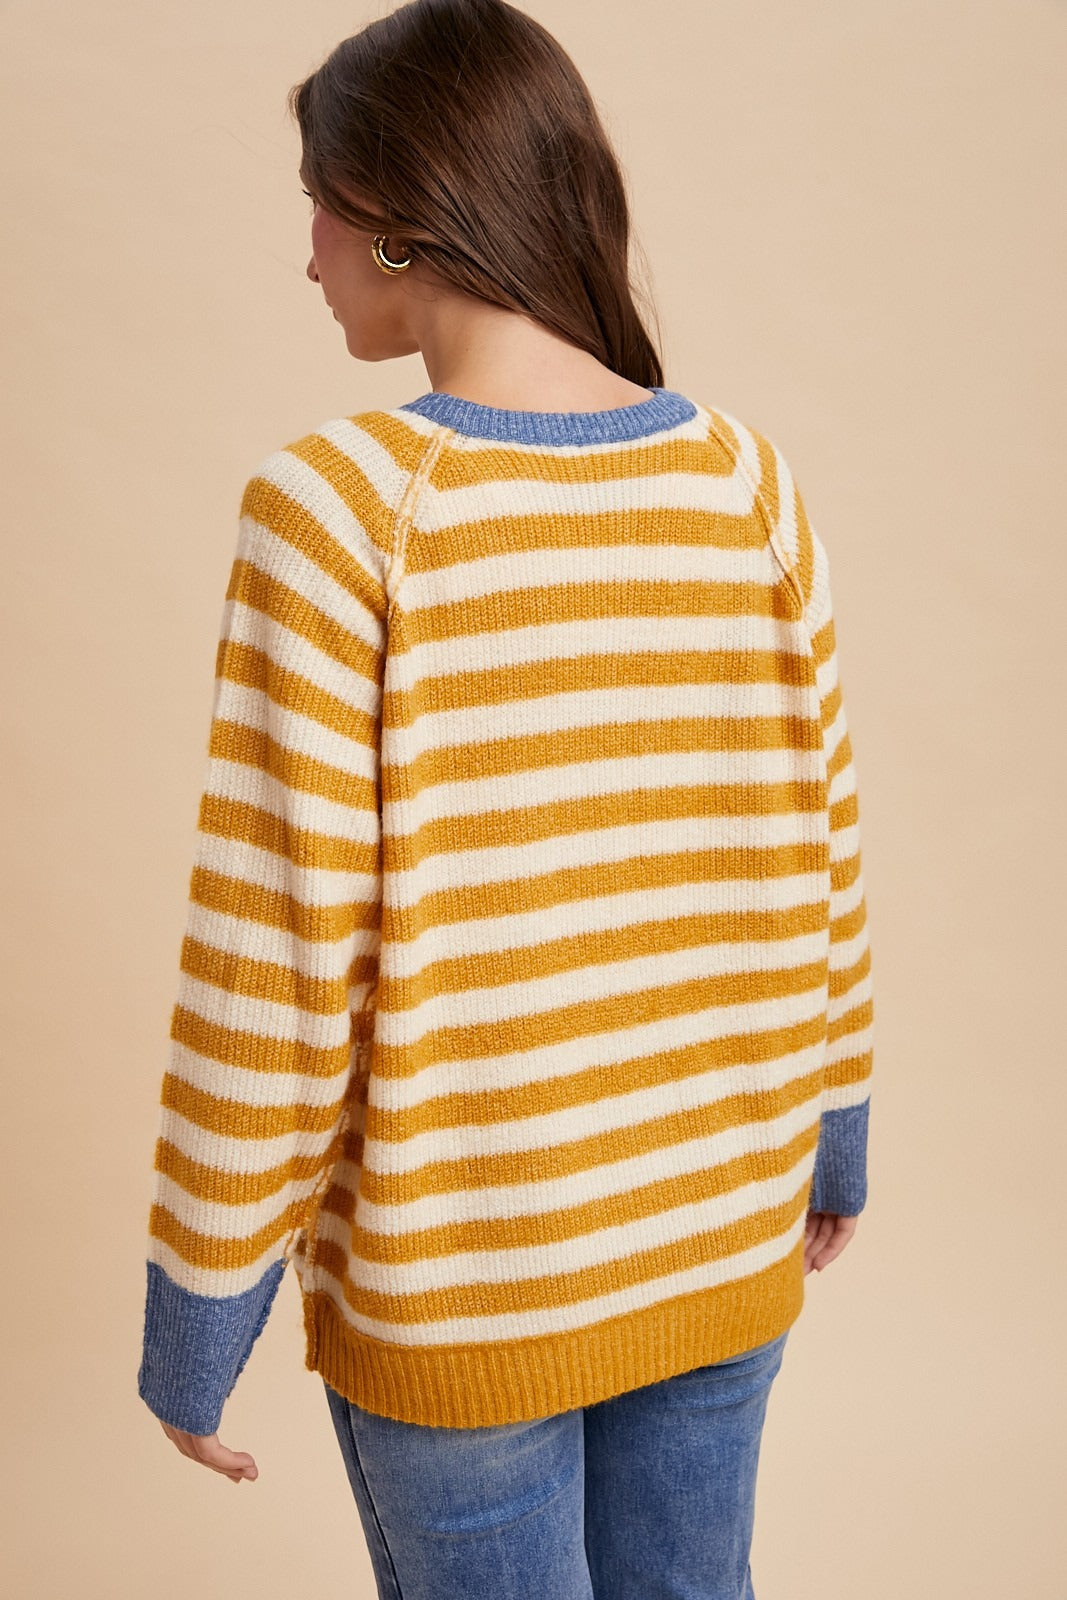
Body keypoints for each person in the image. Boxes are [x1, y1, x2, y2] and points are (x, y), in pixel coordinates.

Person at [137, 1, 873, 1595]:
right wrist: (837, 1132)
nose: (308, 251)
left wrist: (198, 1309)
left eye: (319, 203)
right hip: (721, 1234)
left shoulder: (339, 512)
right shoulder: (748, 484)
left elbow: (277, 958)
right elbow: (820, 851)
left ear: (398, 220)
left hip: (466, 1297)